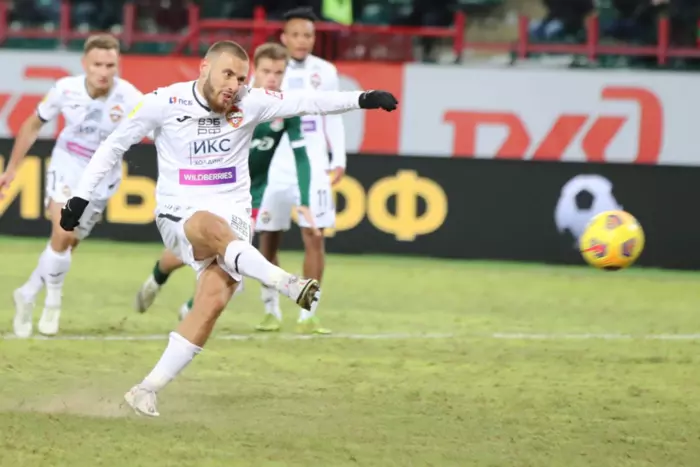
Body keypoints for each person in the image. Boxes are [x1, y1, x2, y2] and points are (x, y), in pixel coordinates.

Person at [58, 40, 398, 417]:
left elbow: (309, 101)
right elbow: (113, 145)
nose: (235, 85)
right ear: (204, 68)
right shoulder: (163, 102)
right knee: (209, 225)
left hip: (234, 214)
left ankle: (146, 389)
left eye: (240, 77)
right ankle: (286, 282)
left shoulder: (251, 101)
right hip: (178, 213)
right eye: (228, 74)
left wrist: (364, 98)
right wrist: (80, 198)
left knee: (214, 300)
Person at [134, 42, 320, 324]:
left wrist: (305, 201)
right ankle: (157, 277)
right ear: (254, 71)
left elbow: (301, 156)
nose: (272, 78)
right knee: (189, 253)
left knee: (232, 261)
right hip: (208, 190)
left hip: (250, 196)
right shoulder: (230, 101)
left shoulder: (279, 110)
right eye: (266, 71)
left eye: (279, 73)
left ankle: (192, 309)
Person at [0, 34, 144, 338]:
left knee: (66, 245)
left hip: (102, 176)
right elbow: (32, 124)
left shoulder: (131, 97)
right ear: (85, 64)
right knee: (63, 232)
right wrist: (12, 168)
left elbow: (159, 130)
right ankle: (53, 303)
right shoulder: (65, 89)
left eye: (110, 65)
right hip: (67, 164)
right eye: (97, 64)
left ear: (118, 64)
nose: (103, 72)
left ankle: (27, 293)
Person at [253, 7, 348, 335]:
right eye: (295, 35)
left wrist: (339, 158)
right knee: (269, 237)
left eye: (307, 35)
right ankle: (270, 309)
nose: (301, 41)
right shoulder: (269, 69)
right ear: (284, 37)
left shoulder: (326, 71)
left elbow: (334, 114)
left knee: (314, 235)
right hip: (274, 164)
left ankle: (309, 313)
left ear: (314, 38)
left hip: (313, 163)